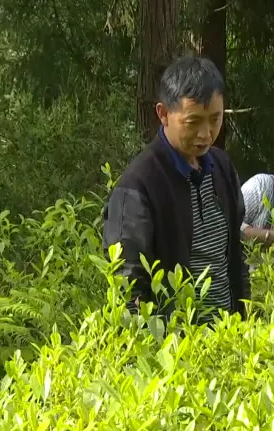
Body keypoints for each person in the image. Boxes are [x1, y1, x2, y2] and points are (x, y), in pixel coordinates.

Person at [102, 56, 250, 325]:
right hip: (177, 350)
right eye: (193, 122)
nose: (206, 134)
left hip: (230, 340)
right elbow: (129, 286)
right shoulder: (138, 185)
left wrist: (244, 319)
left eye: (215, 119)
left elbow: (235, 256)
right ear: (163, 114)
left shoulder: (222, 167)